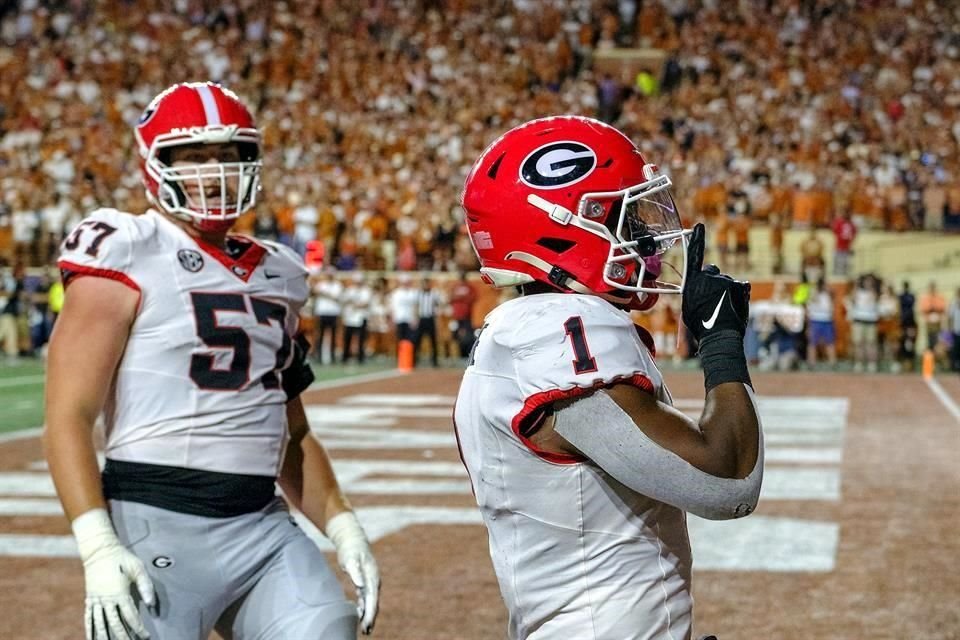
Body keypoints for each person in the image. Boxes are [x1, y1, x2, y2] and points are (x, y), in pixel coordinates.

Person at [43, 82, 379, 640]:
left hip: (263, 526)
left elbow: (293, 436)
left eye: (229, 155)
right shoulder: (125, 244)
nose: (214, 171)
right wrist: (96, 544)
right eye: (194, 157)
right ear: (156, 164)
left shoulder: (282, 272)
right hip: (155, 522)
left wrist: (342, 524)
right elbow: (67, 418)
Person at [455, 116, 762, 640]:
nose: (646, 239)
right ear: (560, 225)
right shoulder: (559, 328)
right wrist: (721, 342)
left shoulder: (519, 331)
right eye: (624, 218)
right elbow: (726, 481)